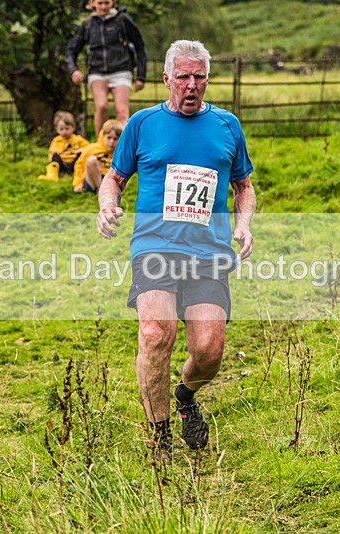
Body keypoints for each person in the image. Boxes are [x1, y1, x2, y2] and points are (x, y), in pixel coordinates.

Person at [95, 40, 256, 461]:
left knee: (208, 352)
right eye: (182, 77)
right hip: (155, 246)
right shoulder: (143, 124)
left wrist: (243, 224)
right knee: (155, 334)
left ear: (207, 79)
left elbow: (244, 187)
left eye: (199, 77)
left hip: (208, 251)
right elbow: (113, 178)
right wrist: (107, 205)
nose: (191, 85)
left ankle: (185, 395)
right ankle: (160, 435)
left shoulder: (227, 126)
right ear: (166, 79)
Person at [66, 0, 147, 136]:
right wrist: (74, 70)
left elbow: (140, 46)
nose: (103, 7)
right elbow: (71, 50)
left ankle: (121, 146)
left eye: (107, 3)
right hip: (97, 72)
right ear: (93, 4)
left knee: (122, 111)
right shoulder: (88, 24)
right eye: (100, 3)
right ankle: (100, 144)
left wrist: (141, 76)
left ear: (113, 3)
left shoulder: (122, 20)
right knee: (101, 106)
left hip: (121, 70)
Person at [73, 119, 122, 193]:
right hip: (92, 179)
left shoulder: (120, 152)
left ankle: (109, 191)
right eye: (109, 138)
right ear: (103, 136)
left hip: (110, 179)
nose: (111, 142)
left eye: (115, 139)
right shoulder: (92, 149)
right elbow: (79, 166)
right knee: (91, 160)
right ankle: (102, 191)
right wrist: (78, 183)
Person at [38, 111, 90, 181]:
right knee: (55, 157)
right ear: (57, 129)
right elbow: (51, 152)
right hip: (62, 163)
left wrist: (82, 149)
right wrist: (53, 155)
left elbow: (89, 147)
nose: (64, 131)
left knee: (81, 155)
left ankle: (82, 173)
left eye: (67, 128)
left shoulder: (78, 139)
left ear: (73, 127)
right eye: (61, 129)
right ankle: (52, 175)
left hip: (75, 163)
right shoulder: (56, 140)